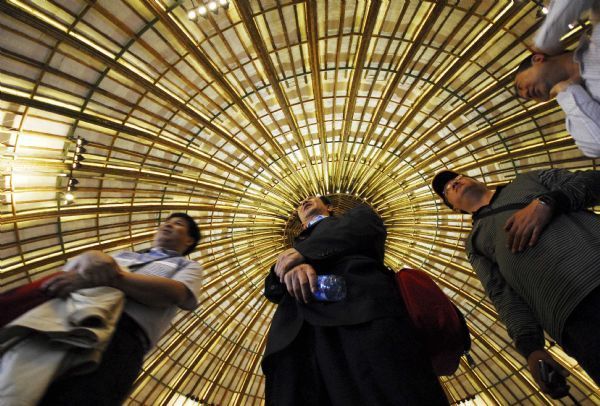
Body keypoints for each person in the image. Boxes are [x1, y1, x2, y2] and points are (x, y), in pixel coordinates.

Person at [262, 195, 448, 405]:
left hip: (361, 316)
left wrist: (305, 254)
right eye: (300, 203)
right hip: (296, 341)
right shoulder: (289, 253)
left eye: (312, 199)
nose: (304, 202)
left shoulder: (355, 218)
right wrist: (292, 267)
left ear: (330, 207)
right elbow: (272, 289)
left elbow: (367, 226)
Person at [431, 168, 600, 397]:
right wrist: (531, 347)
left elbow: (593, 180)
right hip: (571, 317)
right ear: (454, 208)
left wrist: (548, 202)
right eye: (445, 189)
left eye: (456, 176)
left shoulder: (528, 180)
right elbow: (502, 294)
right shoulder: (475, 243)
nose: (453, 182)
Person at [37, 212, 203, 405]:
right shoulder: (125, 255)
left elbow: (174, 294)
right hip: (68, 319)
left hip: (122, 337)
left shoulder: (188, 265)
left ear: (189, 240)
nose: (167, 225)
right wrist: (92, 255)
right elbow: (69, 276)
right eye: (166, 222)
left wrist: (111, 275)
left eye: (178, 224)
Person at [514, 0, 600, 157]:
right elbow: (597, 145)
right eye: (527, 98)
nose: (526, 94)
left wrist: (544, 42)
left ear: (538, 59)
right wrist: (566, 91)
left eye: (521, 85)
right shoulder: (574, 117)